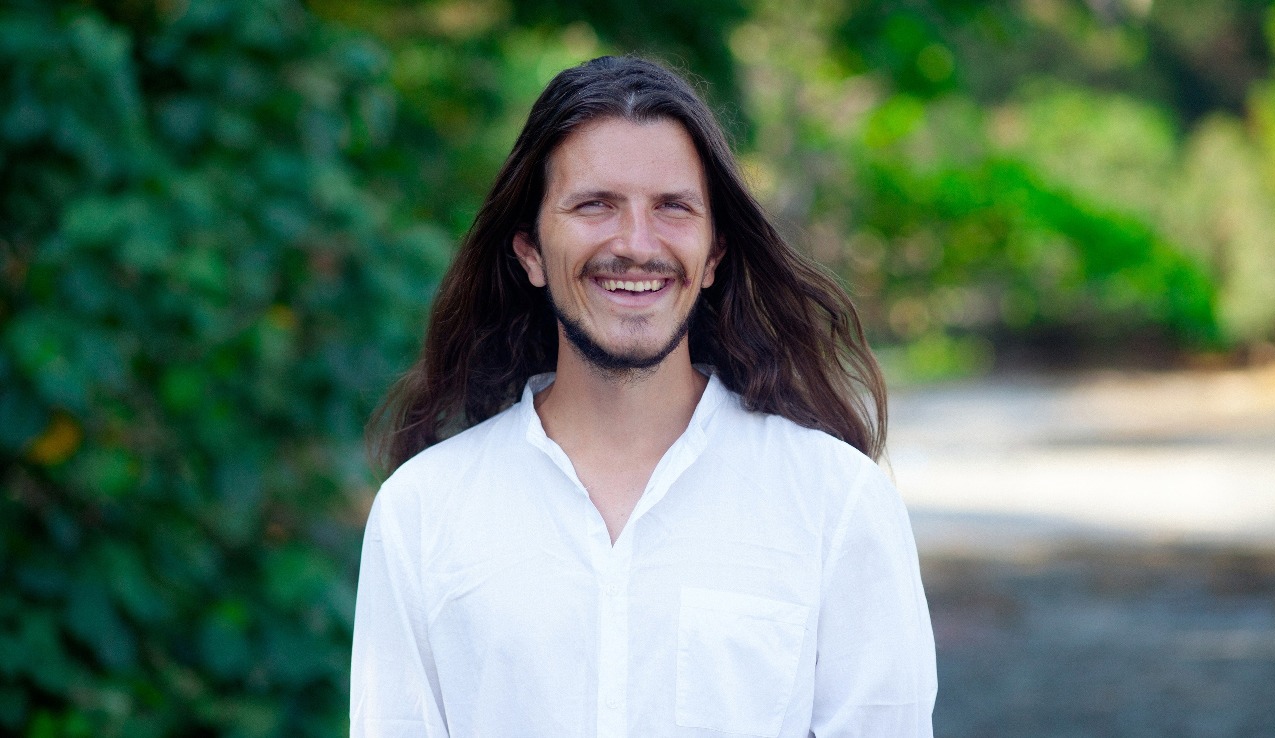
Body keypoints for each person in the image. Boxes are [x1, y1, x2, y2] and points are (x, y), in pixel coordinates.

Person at [350, 55, 936, 737]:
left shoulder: (837, 502)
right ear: (531, 251)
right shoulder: (421, 513)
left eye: (673, 208)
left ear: (713, 254)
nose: (635, 244)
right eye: (594, 205)